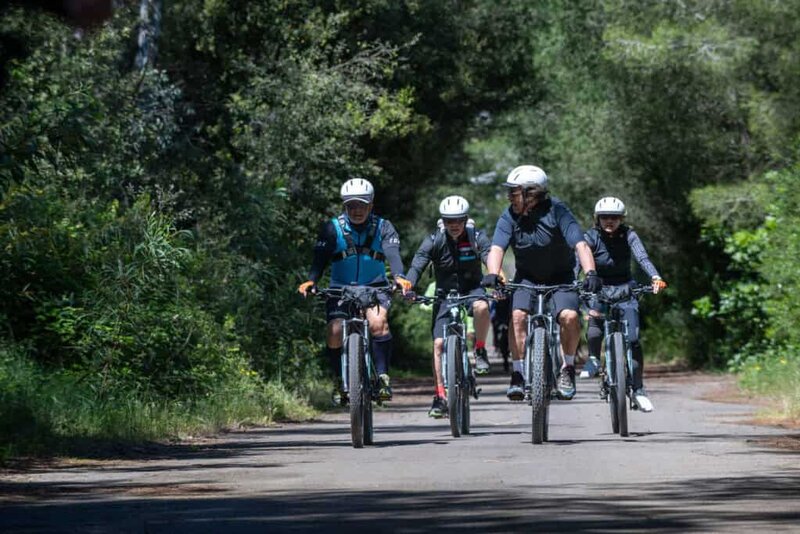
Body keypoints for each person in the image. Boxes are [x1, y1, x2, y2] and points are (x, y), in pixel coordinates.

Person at [482, 165, 602, 401]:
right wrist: (493, 274)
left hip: (561, 276)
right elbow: (497, 248)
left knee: (569, 317)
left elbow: (581, 245)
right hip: (526, 276)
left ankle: (567, 369)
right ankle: (517, 374)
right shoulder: (509, 216)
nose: (509, 197)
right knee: (517, 316)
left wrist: (590, 273)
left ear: (532, 193)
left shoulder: (558, 211)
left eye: (514, 192)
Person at [298, 178, 412, 405]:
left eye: (361, 205)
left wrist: (399, 277)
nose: (356, 210)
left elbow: (392, 253)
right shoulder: (332, 228)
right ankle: (339, 380)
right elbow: (319, 260)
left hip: (375, 288)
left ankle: (382, 376)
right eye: (351, 205)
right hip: (340, 290)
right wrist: (311, 281)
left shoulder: (384, 227)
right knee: (334, 330)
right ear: (344, 206)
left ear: (371, 205)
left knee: (378, 323)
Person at [405, 195, 492, 418]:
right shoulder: (434, 240)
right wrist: (408, 285)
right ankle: (440, 395)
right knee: (438, 344)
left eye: (458, 220)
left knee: (482, 307)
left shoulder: (476, 237)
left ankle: (480, 349)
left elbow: (489, 256)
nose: (454, 225)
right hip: (444, 295)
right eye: (449, 221)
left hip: (472, 289)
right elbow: (418, 263)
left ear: (465, 220)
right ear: (442, 221)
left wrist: (495, 277)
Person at [579, 196, 668, 413]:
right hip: (598, 289)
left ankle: (638, 389)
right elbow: (578, 262)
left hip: (626, 289)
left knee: (635, 339)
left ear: (621, 219)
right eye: (605, 217)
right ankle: (592, 359)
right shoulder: (590, 237)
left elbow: (642, 257)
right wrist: (575, 283)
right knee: (595, 320)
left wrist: (655, 277)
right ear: (597, 219)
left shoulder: (629, 235)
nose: (610, 221)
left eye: (615, 217)